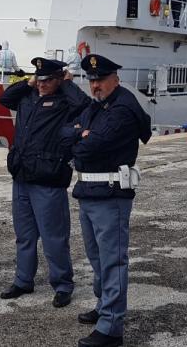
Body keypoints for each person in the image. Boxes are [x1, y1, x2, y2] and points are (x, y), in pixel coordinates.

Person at [63, 54, 151, 347]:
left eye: (100, 79)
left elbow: (91, 147)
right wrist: (80, 134)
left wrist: (81, 138)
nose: (95, 85)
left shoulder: (123, 109)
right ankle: (104, 307)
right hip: (89, 191)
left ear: (115, 79)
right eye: (91, 80)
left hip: (110, 194)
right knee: (97, 258)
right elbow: (67, 134)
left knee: (112, 261)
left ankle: (112, 327)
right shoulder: (97, 106)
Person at [0, 58, 90, 308]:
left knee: (54, 238)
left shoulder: (65, 102)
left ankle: (62, 284)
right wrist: (28, 82)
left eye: (48, 80)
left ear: (59, 79)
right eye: (39, 79)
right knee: (24, 236)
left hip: (48, 179)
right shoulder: (28, 96)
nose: (42, 84)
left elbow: (85, 104)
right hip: (22, 177)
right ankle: (23, 280)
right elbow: (4, 100)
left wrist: (68, 83)